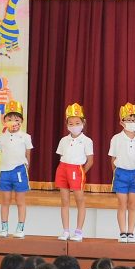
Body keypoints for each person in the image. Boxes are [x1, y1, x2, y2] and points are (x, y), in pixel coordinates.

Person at [109, 102, 135, 243]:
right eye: (128, 120)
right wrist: (116, 173)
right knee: (122, 203)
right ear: (122, 122)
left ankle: (131, 232)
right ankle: (122, 232)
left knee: (133, 204)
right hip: (121, 173)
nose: (131, 123)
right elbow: (113, 158)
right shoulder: (116, 138)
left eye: (134, 120)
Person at [55, 102, 94, 242]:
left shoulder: (86, 141)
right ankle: (65, 230)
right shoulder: (64, 140)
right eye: (70, 123)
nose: (74, 126)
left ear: (83, 123)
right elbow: (61, 156)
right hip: (63, 168)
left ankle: (78, 231)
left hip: (76, 169)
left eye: (77, 122)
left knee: (79, 200)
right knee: (64, 200)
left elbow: (90, 160)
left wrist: (81, 172)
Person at [0, 100, 33, 239]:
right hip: (5, 171)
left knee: (20, 201)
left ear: (21, 121)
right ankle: (4, 227)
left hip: (19, 170)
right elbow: (0, 153)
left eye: (16, 119)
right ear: (4, 121)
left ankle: (20, 228)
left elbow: (28, 154)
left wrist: (26, 165)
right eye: (9, 119)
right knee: (5, 200)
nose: (13, 121)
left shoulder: (26, 137)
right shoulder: (1, 138)